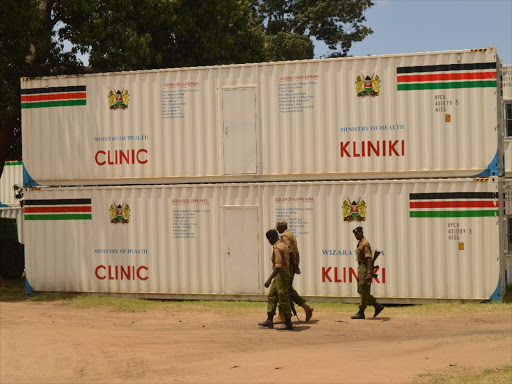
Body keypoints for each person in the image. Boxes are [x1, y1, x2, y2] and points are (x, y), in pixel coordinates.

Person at [275, 220, 314, 322]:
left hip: (288, 266)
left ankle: (303, 307)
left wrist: (293, 266)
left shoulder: (285, 236)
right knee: (286, 289)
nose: (277, 229)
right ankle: (284, 313)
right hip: (292, 265)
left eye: (277, 227)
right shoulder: (291, 234)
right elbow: (297, 253)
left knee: (284, 289)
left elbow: (291, 252)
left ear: (281, 227)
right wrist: (296, 265)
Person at [258, 229, 294, 330]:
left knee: (283, 299)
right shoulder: (283, 245)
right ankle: (269, 320)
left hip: (280, 274)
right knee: (272, 296)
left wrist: (269, 279)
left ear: (273, 237)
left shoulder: (277, 248)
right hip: (282, 273)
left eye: (269, 239)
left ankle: (288, 322)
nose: (269, 241)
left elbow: (278, 266)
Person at [351, 226, 385, 319]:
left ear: (361, 232)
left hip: (365, 268)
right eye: (355, 234)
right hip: (362, 267)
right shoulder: (361, 242)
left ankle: (361, 312)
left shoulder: (365, 243)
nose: (356, 235)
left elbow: (369, 258)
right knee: (360, 289)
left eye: (357, 233)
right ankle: (377, 306)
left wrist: (369, 272)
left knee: (363, 289)